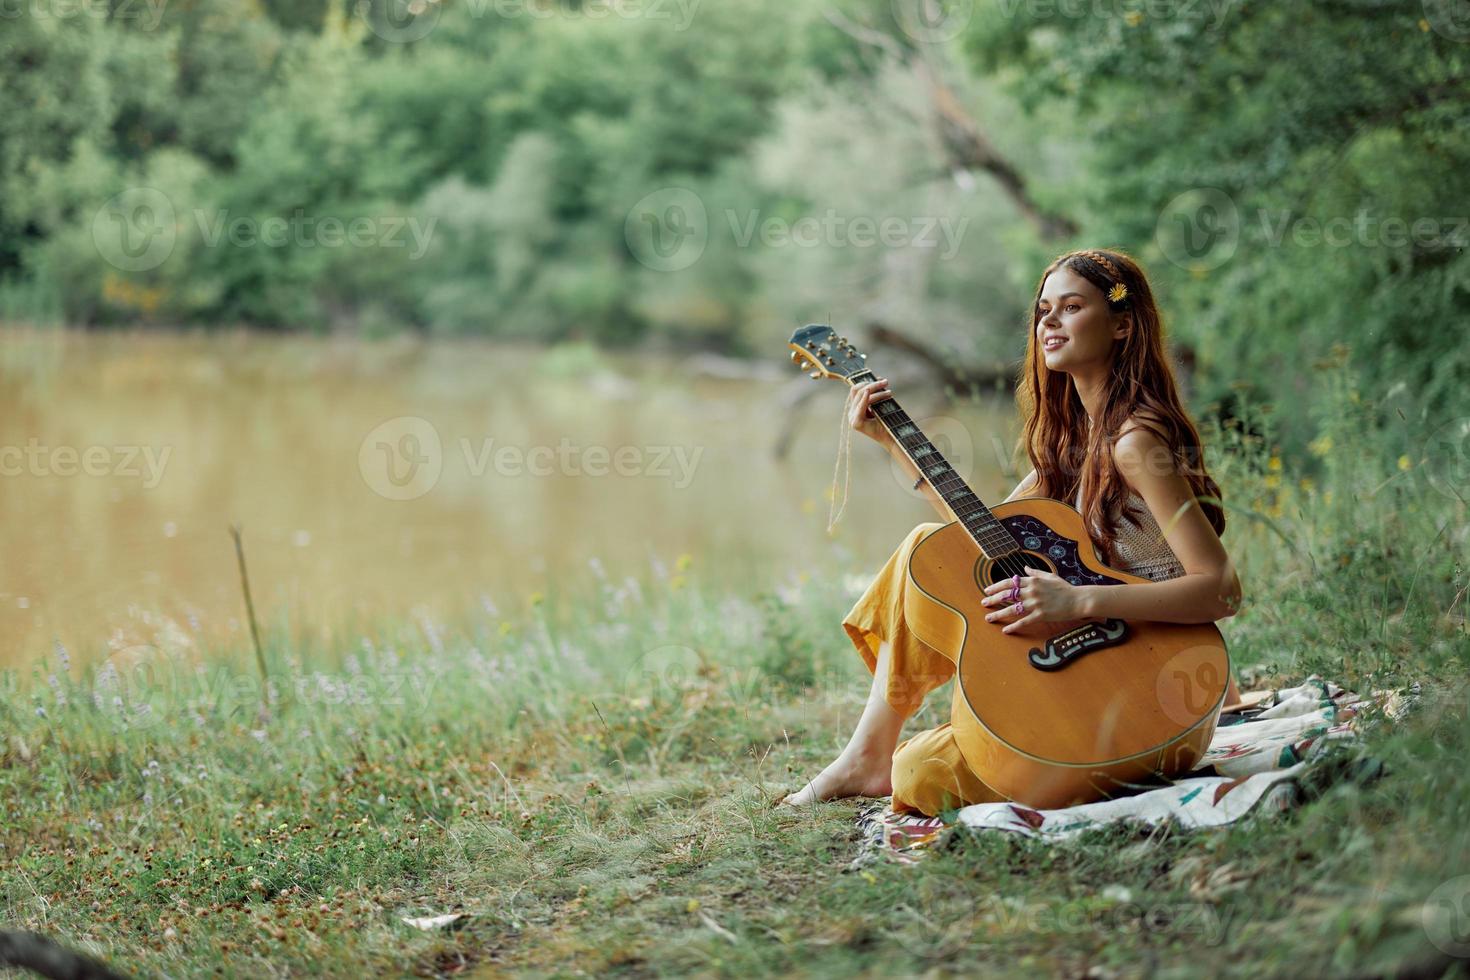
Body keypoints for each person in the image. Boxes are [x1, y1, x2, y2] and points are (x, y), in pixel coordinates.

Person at [776, 248, 1245, 816]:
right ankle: (872, 757)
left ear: (1123, 325)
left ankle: (867, 755)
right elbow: (984, 536)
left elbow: (1220, 588)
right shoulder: (1070, 441)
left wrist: (1077, 599)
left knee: (921, 768)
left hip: (1158, 689)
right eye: (1044, 309)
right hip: (1094, 669)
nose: (1049, 322)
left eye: (1071, 307)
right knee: (919, 757)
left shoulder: (1134, 443)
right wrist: (889, 440)